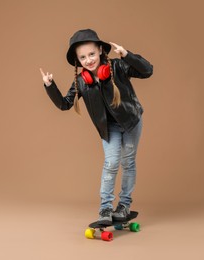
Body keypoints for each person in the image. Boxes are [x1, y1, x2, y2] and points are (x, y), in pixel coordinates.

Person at [40, 29, 153, 225]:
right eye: (82, 57)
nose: (89, 60)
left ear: (100, 50)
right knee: (110, 165)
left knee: (128, 163)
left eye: (91, 54)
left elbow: (147, 70)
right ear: (77, 60)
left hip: (131, 122)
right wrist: (50, 85)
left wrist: (127, 55)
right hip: (109, 129)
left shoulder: (118, 66)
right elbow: (64, 104)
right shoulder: (82, 82)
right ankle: (105, 208)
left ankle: (124, 205)